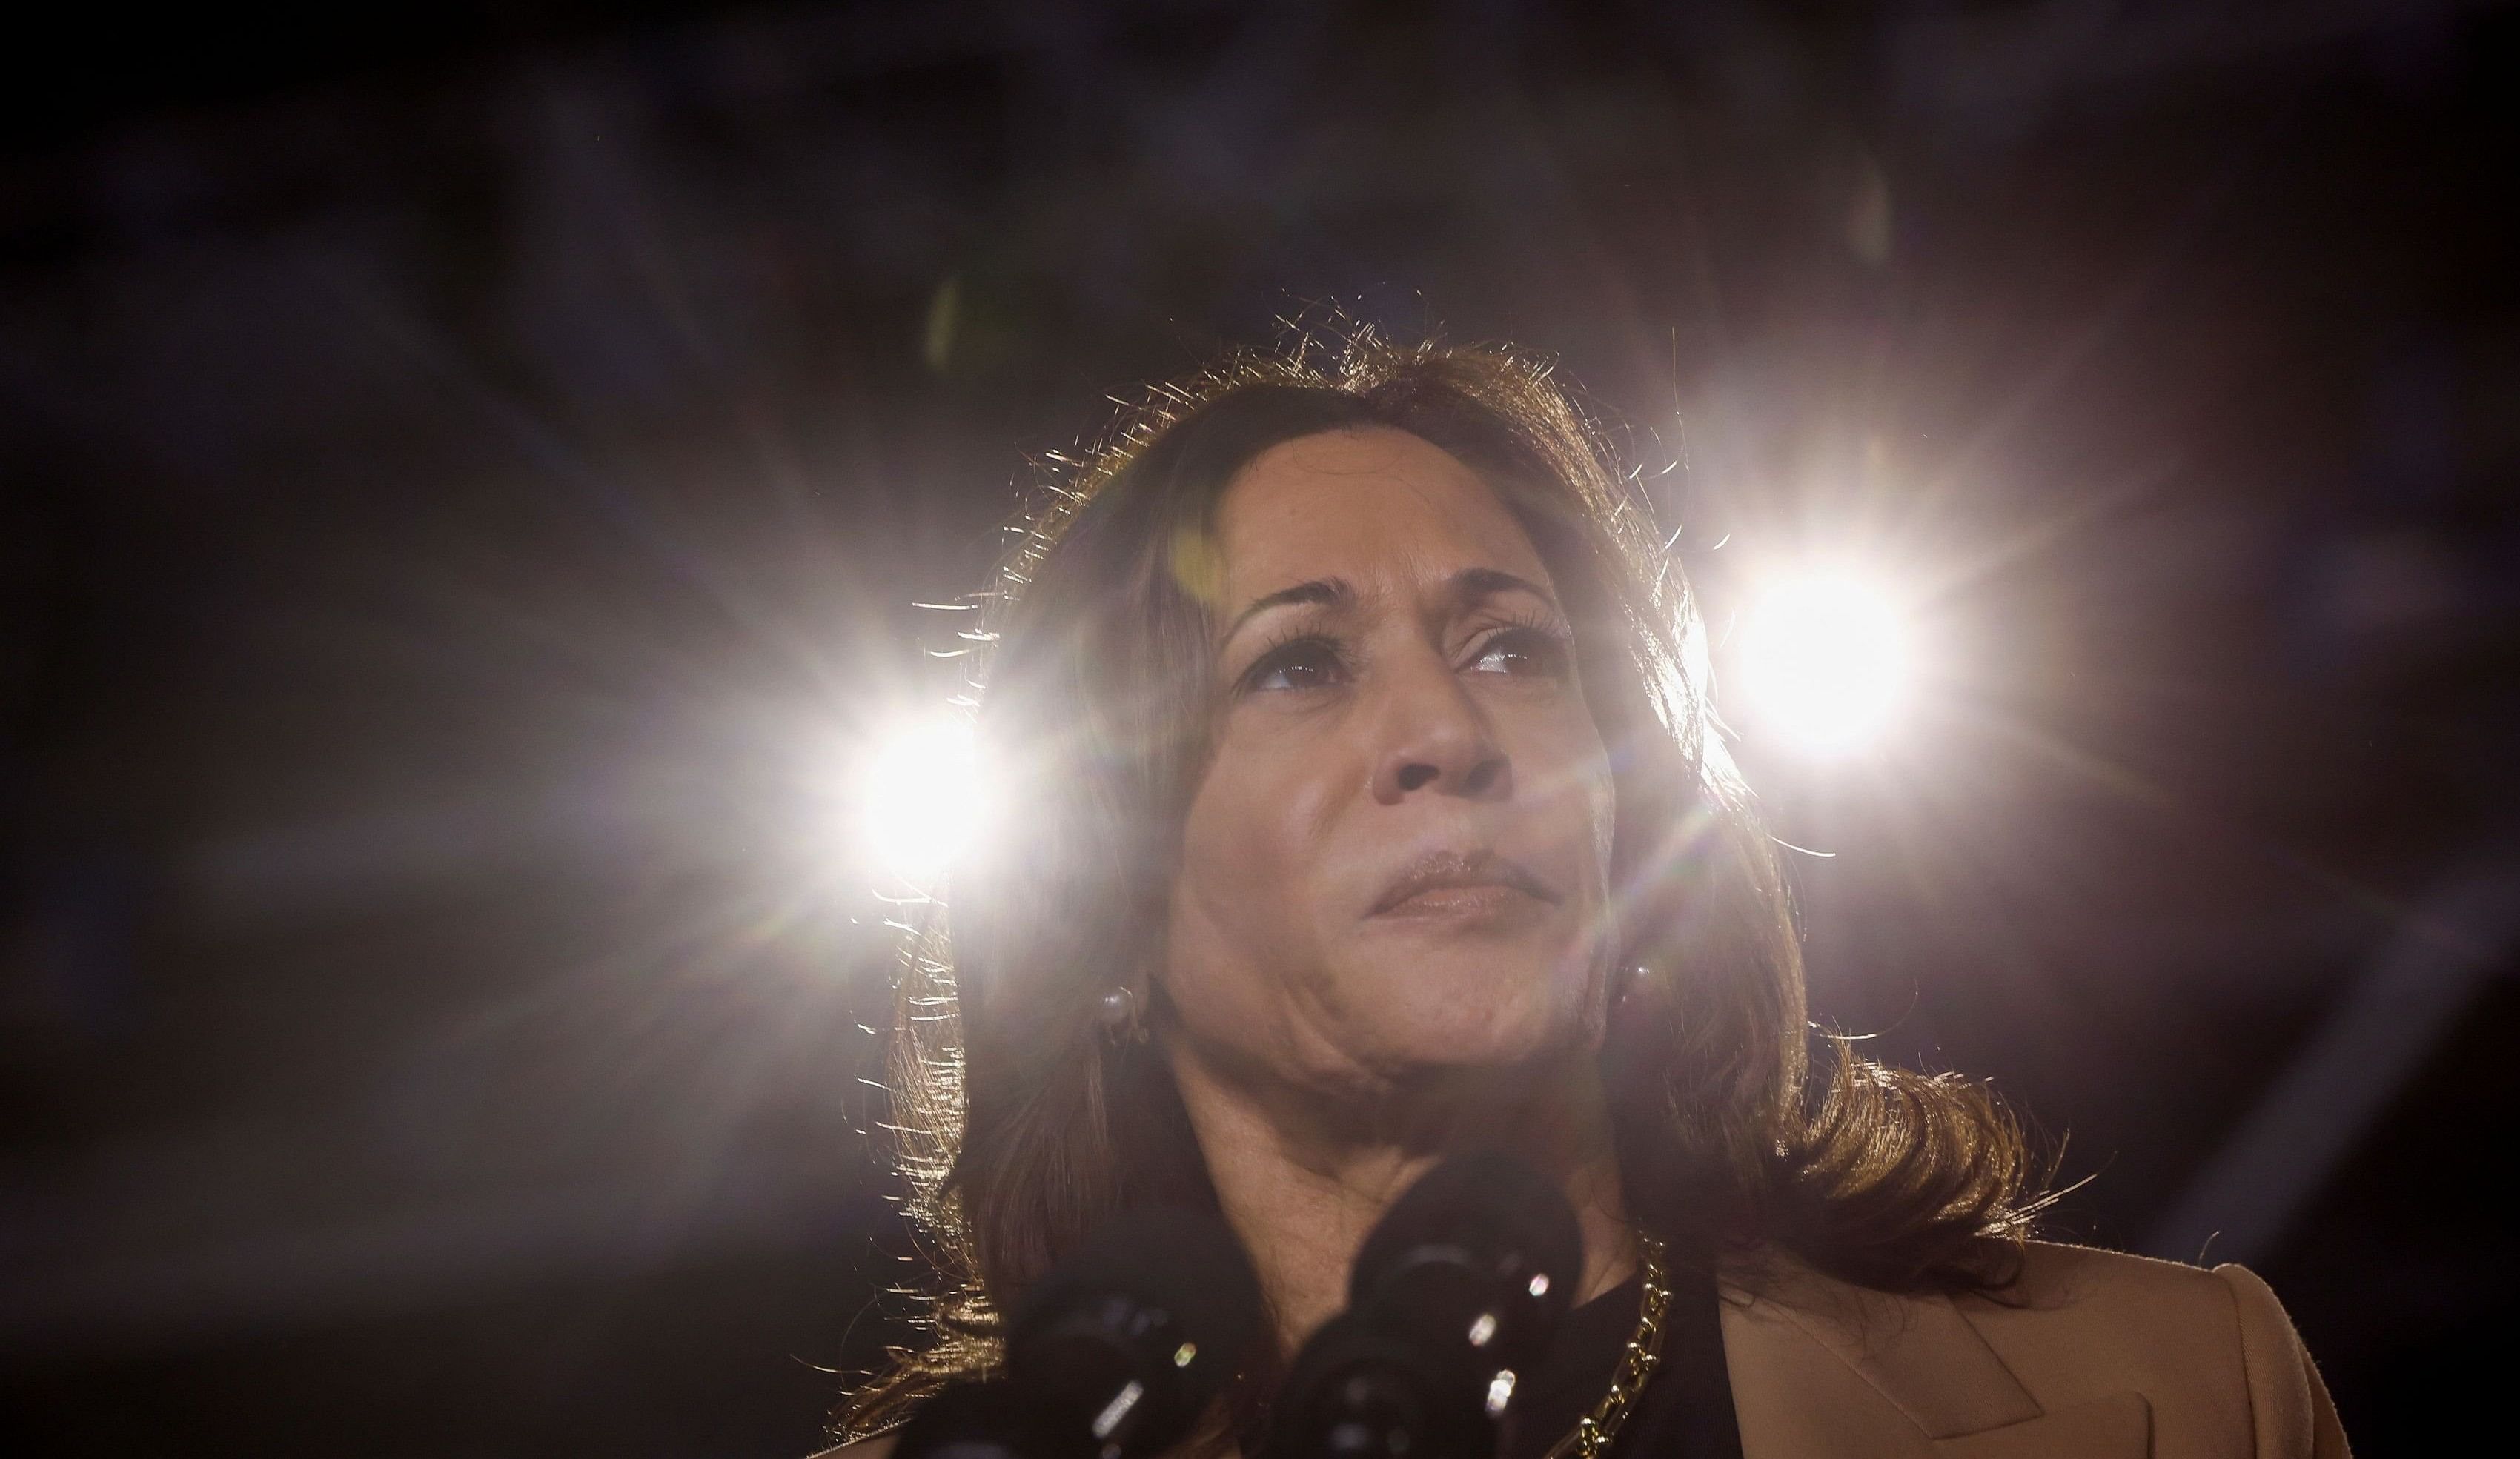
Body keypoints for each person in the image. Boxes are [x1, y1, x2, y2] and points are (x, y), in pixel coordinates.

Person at [823, 332, 2350, 1458]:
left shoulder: (2193, 1392)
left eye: (1510, 648)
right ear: (1099, 888)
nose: (1447, 735)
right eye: (1299, 664)